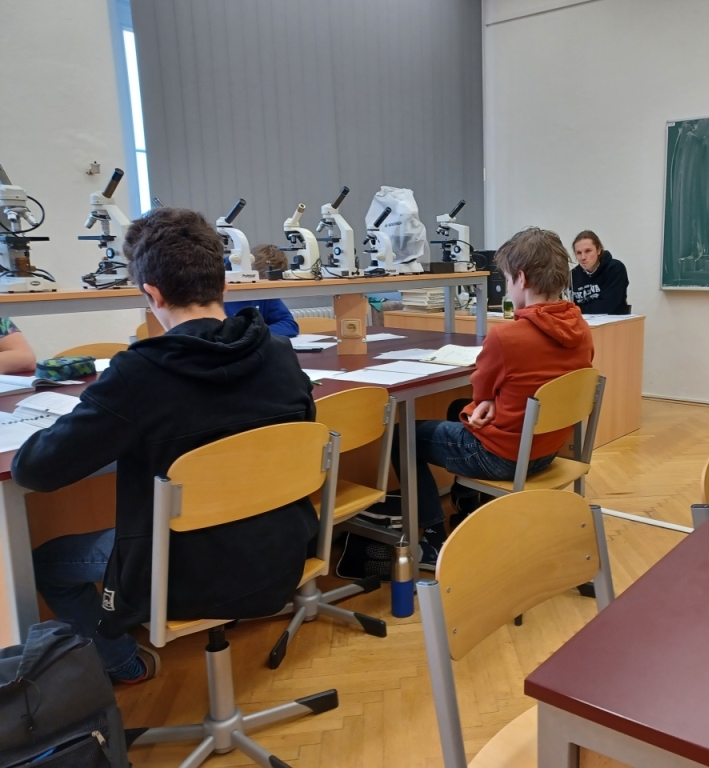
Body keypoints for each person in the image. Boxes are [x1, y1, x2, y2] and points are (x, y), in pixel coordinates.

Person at [15, 208, 318, 684]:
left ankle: (120, 660)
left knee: (44, 564)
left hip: (182, 572)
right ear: (223, 282)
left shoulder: (140, 373)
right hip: (281, 552)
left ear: (152, 294)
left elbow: (35, 470)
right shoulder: (280, 355)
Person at [337, 227, 595, 577]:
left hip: (503, 458)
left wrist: (484, 403)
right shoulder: (581, 330)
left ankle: (431, 538)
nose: (507, 286)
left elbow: (481, 392)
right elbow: (514, 391)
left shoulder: (506, 336)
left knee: (402, 437)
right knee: (456, 408)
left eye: (507, 279)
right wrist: (487, 403)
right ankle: (468, 504)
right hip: (546, 449)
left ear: (521, 278)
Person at [224, 244, 299, 337]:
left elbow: (289, 325)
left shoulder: (266, 293)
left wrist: (256, 334)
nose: (264, 289)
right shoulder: (222, 291)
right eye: (261, 282)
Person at [570, 230, 630, 315]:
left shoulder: (615, 268)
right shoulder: (572, 275)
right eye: (578, 253)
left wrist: (576, 310)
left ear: (598, 250)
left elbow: (607, 306)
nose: (583, 257)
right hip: (582, 321)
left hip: (613, 321)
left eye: (588, 251)